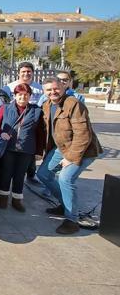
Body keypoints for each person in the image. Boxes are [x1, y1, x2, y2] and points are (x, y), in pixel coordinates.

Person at [36, 77, 103, 234]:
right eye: (48, 90)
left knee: (65, 179)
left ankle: (72, 220)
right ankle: (65, 204)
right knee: (43, 174)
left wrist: (70, 158)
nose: (53, 92)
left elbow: (83, 135)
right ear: (44, 92)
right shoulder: (46, 105)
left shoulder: (73, 104)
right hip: (62, 147)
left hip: (82, 149)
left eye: (55, 88)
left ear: (63, 87)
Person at [0, 83, 43, 212]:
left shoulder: (36, 110)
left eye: (26, 95)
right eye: (20, 95)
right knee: (5, 173)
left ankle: (16, 200)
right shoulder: (6, 108)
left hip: (26, 149)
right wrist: (0, 133)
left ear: (30, 96)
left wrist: (38, 152)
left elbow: (41, 133)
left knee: (20, 175)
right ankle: (3, 198)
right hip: (8, 147)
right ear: (15, 95)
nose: (23, 97)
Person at [3, 62, 44, 182]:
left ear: (32, 72)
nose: (26, 74)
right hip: (14, 122)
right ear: (18, 73)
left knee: (30, 150)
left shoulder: (39, 88)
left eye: (29, 71)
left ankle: (31, 174)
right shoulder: (8, 87)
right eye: (23, 72)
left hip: (33, 120)